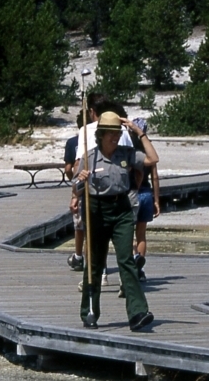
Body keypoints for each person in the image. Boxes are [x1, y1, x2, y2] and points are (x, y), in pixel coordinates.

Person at [71, 112, 158, 331]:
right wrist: (81, 180)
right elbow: (77, 189)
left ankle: (138, 312)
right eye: (111, 134)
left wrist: (140, 133)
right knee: (95, 262)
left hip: (121, 209)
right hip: (96, 208)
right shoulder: (89, 157)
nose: (115, 138)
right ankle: (89, 312)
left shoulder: (126, 153)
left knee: (126, 260)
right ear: (101, 135)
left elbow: (152, 159)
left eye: (117, 134)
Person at [68, 96, 133, 286]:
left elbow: (79, 163)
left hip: (97, 192)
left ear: (92, 113)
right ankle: (121, 278)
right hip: (121, 192)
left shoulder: (86, 130)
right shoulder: (123, 130)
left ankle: (98, 275)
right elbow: (132, 165)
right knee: (123, 241)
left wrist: (75, 195)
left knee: (93, 238)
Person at [130, 118, 160, 283]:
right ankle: (139, 268)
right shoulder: (149, 152)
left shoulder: (129, 151)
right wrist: (156, 199)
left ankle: (132, 261)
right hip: (146, 194)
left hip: (132, 194)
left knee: (128, 235)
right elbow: (155, 177)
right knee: (141, 234)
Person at [65, 111, 85, 273]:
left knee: (79, 225)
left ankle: (78, 255)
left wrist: (74, 180)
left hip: (79, 187)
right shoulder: (97, 139)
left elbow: (68, 167)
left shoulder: (72, 142)